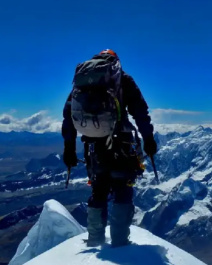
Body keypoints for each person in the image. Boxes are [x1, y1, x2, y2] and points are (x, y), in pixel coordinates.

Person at [61, 49, 158, 247]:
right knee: (122, 190)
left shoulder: (81, 84)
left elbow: (68, 116)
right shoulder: (123, 79)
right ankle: (120, 242)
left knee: (98, 191)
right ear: (116, 63)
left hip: (94, 147)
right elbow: (140, 111)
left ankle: (95, 239)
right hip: (121, 145)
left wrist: (69, 148)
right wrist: (148, 138)